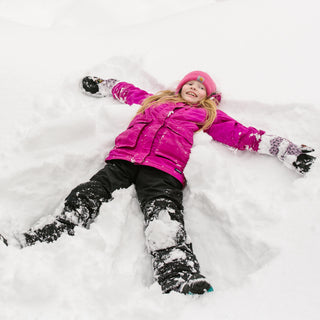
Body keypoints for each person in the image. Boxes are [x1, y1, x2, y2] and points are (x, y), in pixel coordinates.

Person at [0, 71, 316, 295]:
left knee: (164, 217)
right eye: (190, 83)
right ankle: (48, 232)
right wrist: (101, 84)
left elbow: (245, 134)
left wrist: (289, 151)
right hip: (123, 160)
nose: (194, 88)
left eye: (200, 88)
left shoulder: (207, 117)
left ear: (208, 97)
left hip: (164, 170)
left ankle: (176, 272)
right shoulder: (154, 101)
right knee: (87, 192)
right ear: (180, 87)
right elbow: (126, 90)